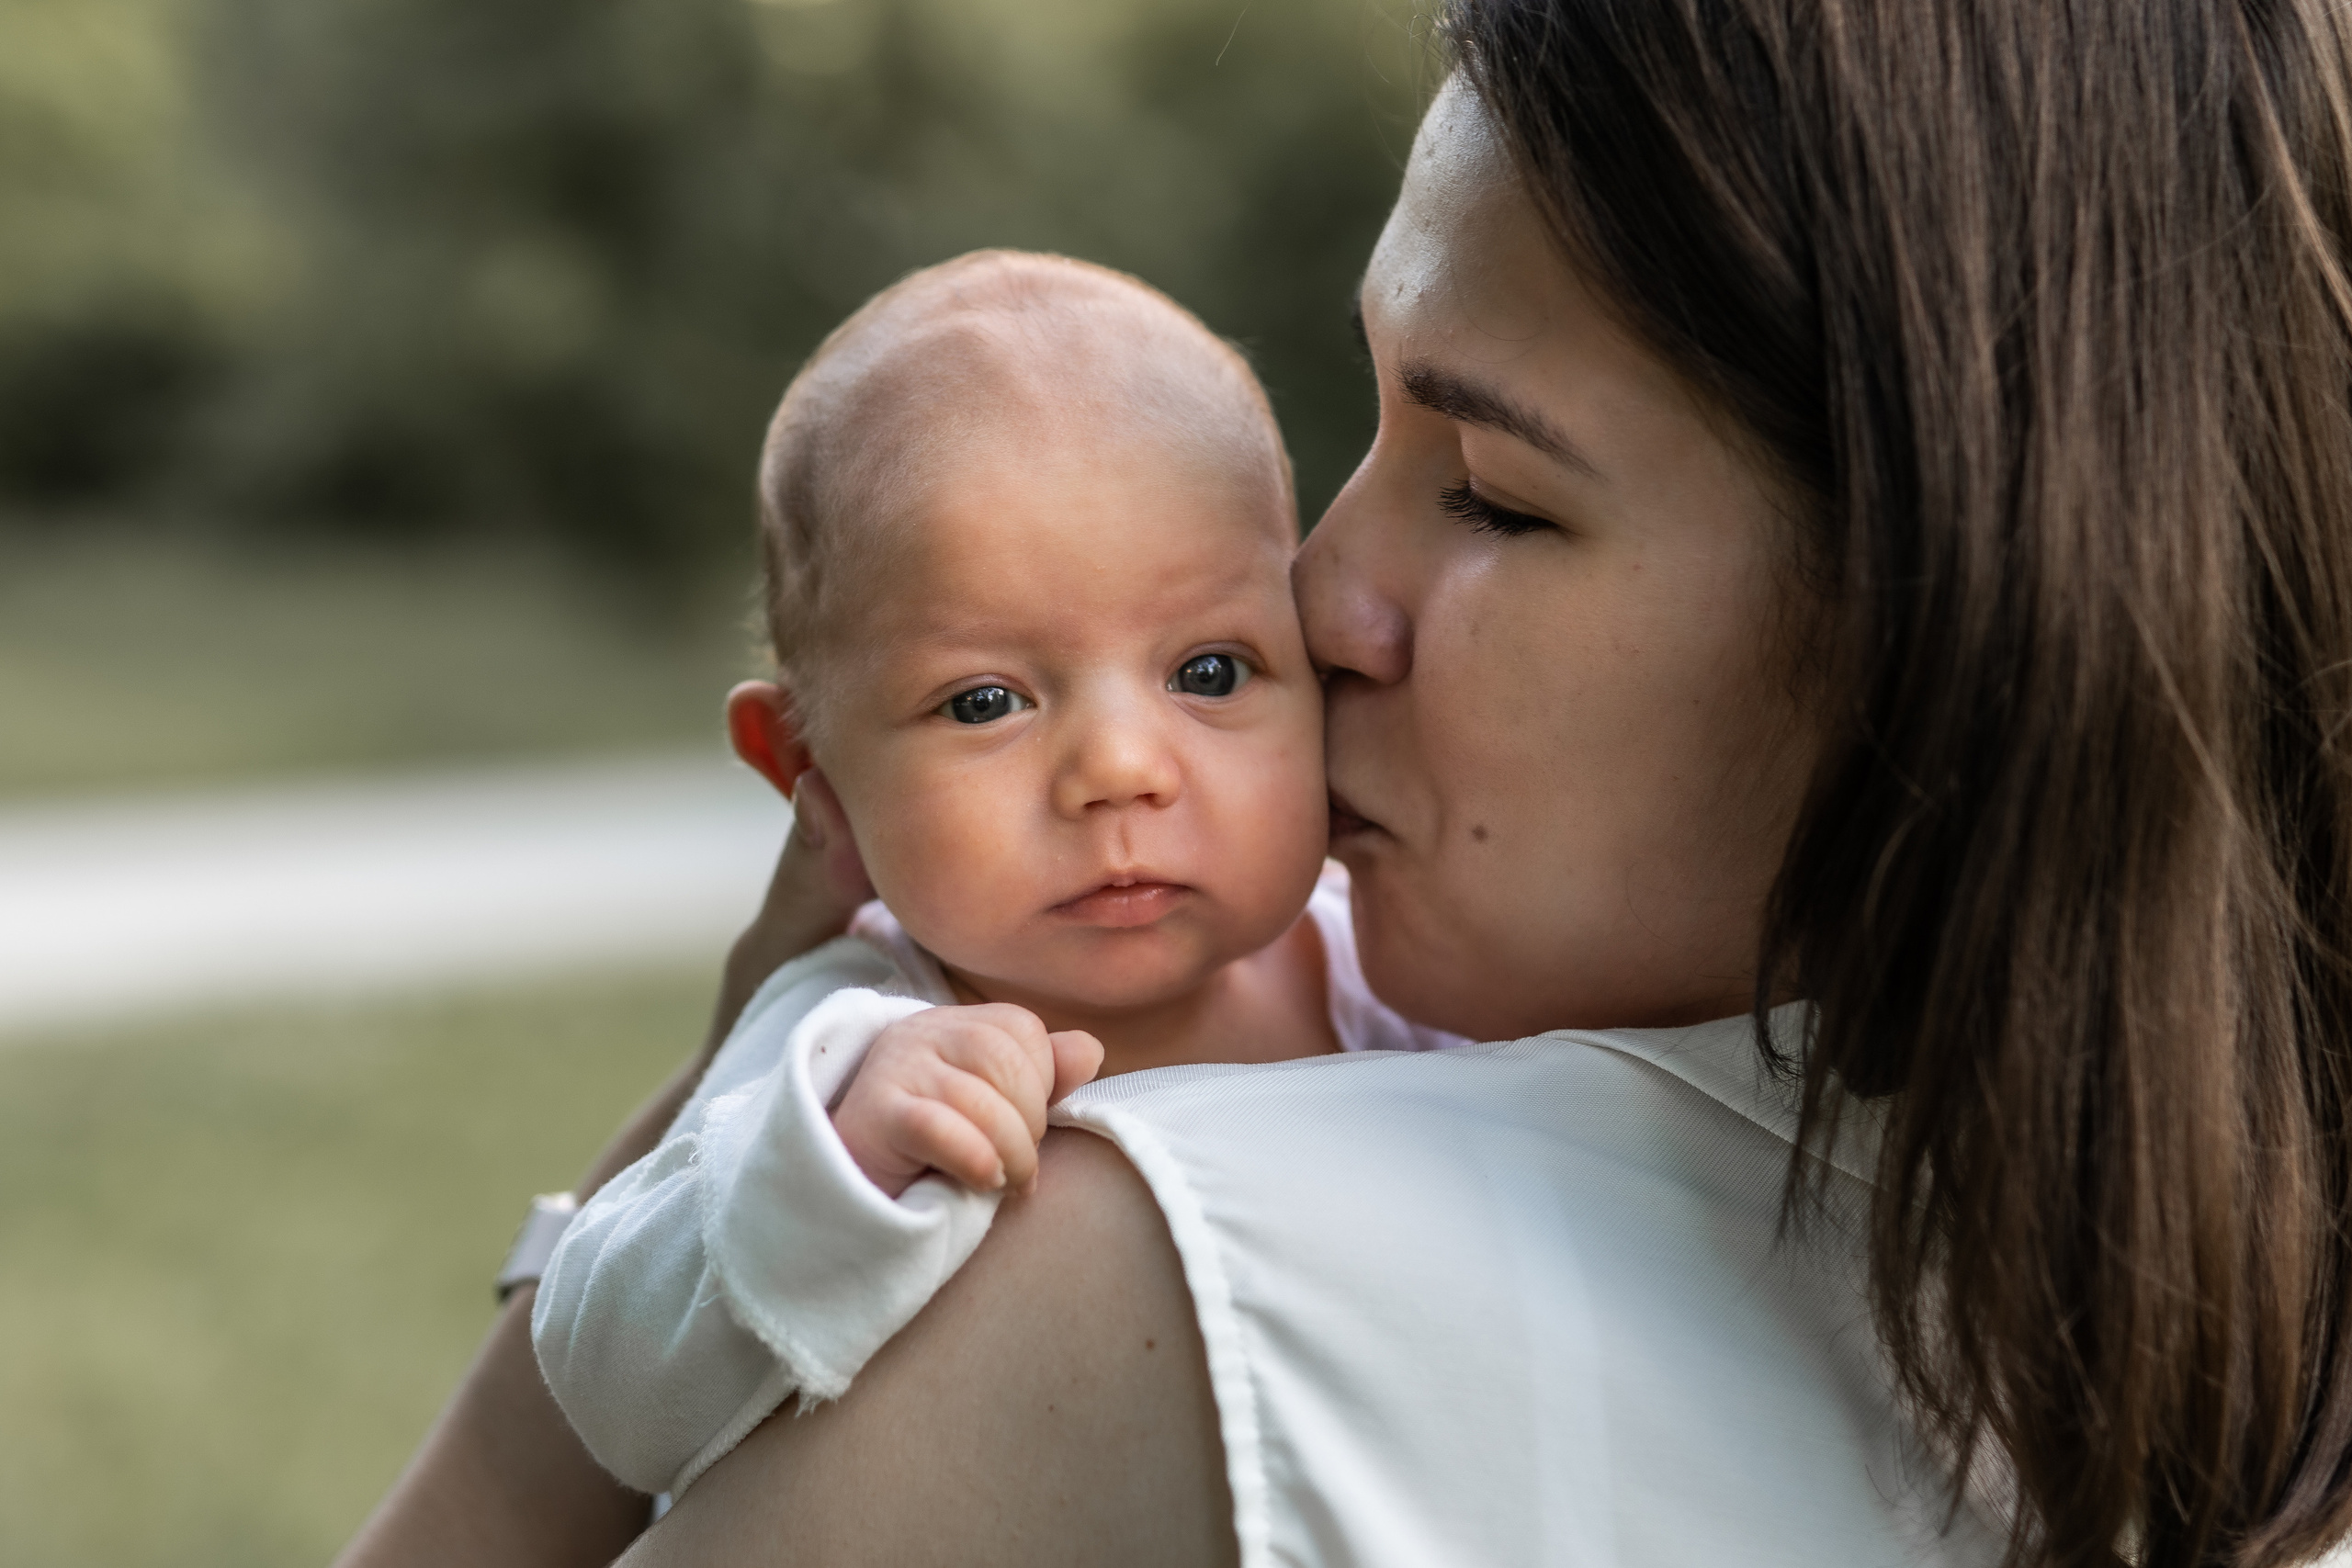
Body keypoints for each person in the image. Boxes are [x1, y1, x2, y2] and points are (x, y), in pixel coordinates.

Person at [336, 1, 2352, 1563]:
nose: (1318, 596)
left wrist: (639, 1255)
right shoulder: (2239, 1308)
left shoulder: (1148, 1267)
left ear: (1978, 614)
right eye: (1362, 436)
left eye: (1488, 492)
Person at [530, 250, 1459, 1502]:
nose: (1122, 770)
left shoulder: (1385, 977)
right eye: (985, 701)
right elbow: (610, 1385)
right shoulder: (855, 1043)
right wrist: (829, 1169)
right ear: (806, 762)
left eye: (1211, 673)